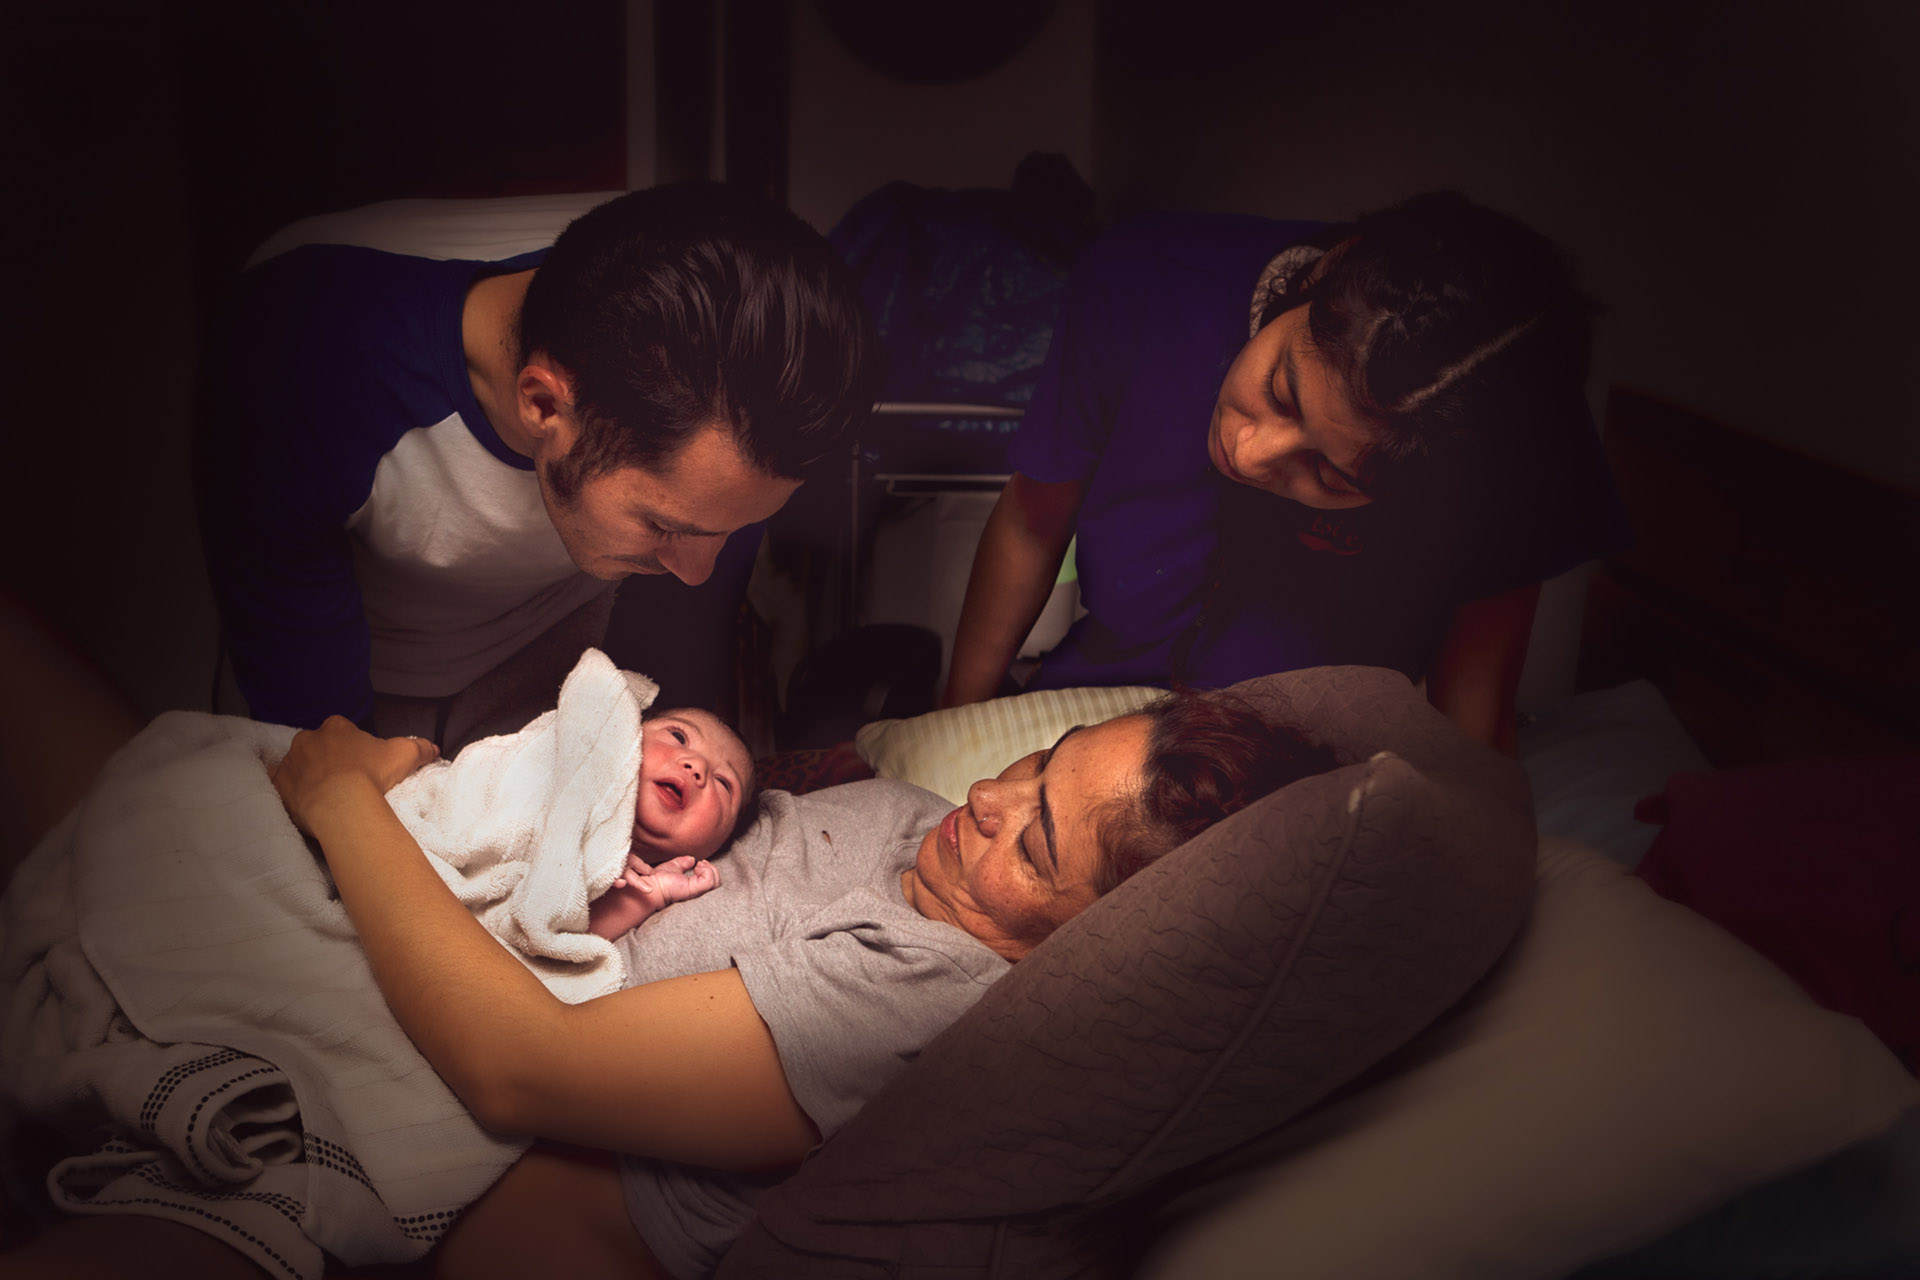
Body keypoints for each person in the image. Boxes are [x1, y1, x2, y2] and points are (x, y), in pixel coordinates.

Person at [0, 619, 1333, 1280]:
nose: (987, 803)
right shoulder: (917, 823)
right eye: (1034, 765)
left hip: (373, 1148)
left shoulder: (944, 993)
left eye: (1037, 845)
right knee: (116, 749)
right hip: (441, 908)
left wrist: (347, 803)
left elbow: (515, 1070)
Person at [196, 181, 879, 749]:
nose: (700, 571)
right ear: (544, 405)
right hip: (366, 665)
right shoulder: (300, 376)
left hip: (564, 648)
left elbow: (680, 658)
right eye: (663, 524)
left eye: (730, 529)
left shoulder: (731, 378)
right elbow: (325, 756)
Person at [941, 191, 1630, 754]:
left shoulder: (1512, 448)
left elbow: (1473, 716)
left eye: (1331, 478)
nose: (1247, 454)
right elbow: (1035, 523)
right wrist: (947, 728)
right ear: (1326, 271)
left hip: (1306, 749)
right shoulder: (1146, 277)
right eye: (1279, 390)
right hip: (1093, 698)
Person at [586, 707, 757, 941]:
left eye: (723, 783)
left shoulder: (634, 888)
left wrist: (654, 892)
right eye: (679, 737)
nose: (697, 765)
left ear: (718, 847)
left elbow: (560, 940)